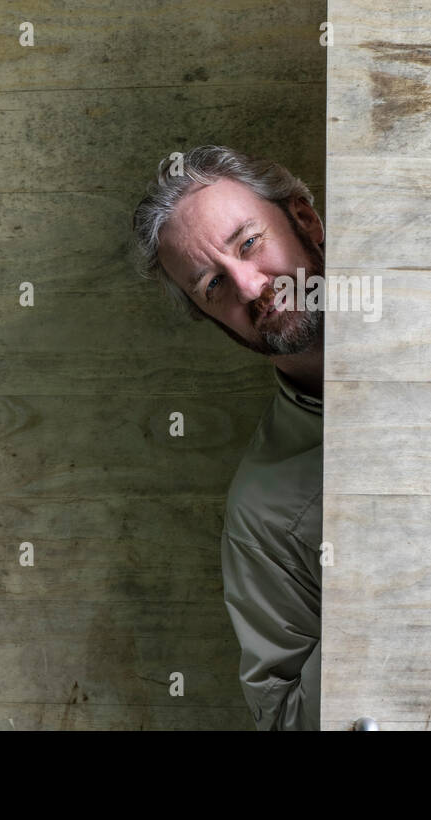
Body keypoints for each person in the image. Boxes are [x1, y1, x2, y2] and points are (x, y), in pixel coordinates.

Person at [131, 144, 325, 730]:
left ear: (305, 220)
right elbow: (283, 718)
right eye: (212, 284)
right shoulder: (265, 509)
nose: (248, 286)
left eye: (249, 243)